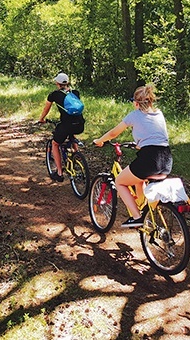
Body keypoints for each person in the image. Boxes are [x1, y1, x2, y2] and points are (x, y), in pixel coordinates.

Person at [93, 84, 172, 228]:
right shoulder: (159, 114)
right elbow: (155, 137)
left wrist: (99, 141)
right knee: (138, 179)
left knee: (120, 182)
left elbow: (113, 133)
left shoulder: (134, 115)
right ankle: (144, 211)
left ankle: (137, 217)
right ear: (151, 101)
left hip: (149, 159)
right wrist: (138, 145)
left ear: (136, 103)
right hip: (166, 159)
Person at [38, 72, 85, 182]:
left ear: (57, 83)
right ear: (67, 82)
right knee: (71, 134)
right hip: (80, 124)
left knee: (55, 143)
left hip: (66, 125)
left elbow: (46, 109)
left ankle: (59, 172)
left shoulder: (54, 95)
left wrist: (41, 119)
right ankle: (76, 155)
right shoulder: (76, 93)